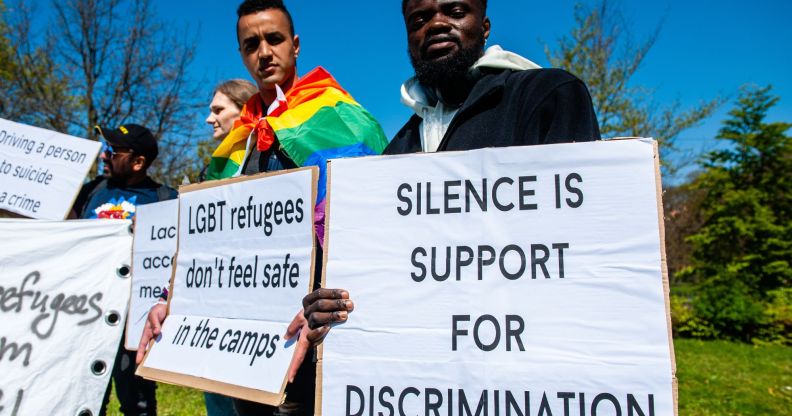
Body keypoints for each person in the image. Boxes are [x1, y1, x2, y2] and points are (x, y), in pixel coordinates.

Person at [299, 0, 602, 369]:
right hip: (425, 376)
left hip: (520, 365)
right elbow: (384, 272)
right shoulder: (396, 152)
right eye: (420, 19)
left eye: (455, 11)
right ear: (409, 37)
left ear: (485, 26)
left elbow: (577, 254)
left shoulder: (546, 96)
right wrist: (334, 305)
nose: (437, 25)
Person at [136, 1, 388, 415]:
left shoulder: (342, 117)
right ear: (241, 53)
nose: (265, 52)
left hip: (316, 341)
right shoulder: (237, 143)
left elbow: (370, 229)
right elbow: (207, 239)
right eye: (251, 44)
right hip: (245, 350)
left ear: (296, 44)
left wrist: (325, 305)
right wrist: (172, 299)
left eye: (274, 39)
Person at [71, 123, 177, 416]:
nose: (104, 156)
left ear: (138, 161)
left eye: (112, 151)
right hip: (84, 311)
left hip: (134, 318)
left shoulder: (166, 199)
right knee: (84, 398)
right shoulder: (89, 192)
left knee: (137, 400)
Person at [202, 79, 257, 416]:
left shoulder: (267, 159)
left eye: (218, 110)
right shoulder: (214, 168)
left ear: (244, 111)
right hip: (213, 305)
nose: (210, 119)